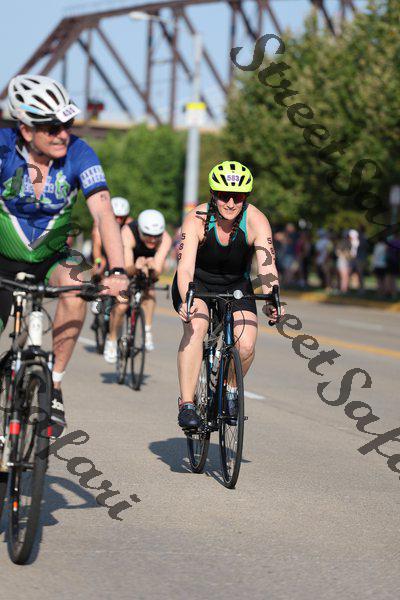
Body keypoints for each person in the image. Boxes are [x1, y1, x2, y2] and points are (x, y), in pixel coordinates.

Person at [0, 74, 128, 435]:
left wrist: (118, 271)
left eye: (67, 125)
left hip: (52, 257)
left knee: (79, 284)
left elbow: (103, 212)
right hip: (3, 257)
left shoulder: (79, 152)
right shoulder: (4, 148)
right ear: (26, 130)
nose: (62, 134)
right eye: (52, 127)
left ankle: (53, 384)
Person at [172, 160, 282, 430]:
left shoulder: (256, 220)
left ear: (246, 197)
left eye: (238, 197)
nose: (231, 203)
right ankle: (187, 404)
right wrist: (187, 298)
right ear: (213, 194)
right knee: (196, 327)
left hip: (236, 285)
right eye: (224, 195)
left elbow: (267, 267)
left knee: (246, 344)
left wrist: (272, 297)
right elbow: (184, 268)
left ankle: (229, 389)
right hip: (197, 283)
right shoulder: (197, 219)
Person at [103, 209, 172, 362]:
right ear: (140, 230)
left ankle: (147, 331)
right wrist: (137, 266)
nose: (152, 240)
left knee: (150, 292)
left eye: (156, 236)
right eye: (148, 235)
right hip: (127, 263)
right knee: (122, 304)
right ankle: (112, 340)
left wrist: (152, 268)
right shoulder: (128, 232)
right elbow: (127, 268)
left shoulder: (165, 239)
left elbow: (156, 274)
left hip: (147, 264)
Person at [91, 196, 133, 277]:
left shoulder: (130, 224)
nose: (118, 220)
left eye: (121, 217)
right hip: (103, 253)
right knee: (99, 268)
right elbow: (97, 246)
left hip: (123, 253)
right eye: (116, 216)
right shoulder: (99, 224)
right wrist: (98, 261)